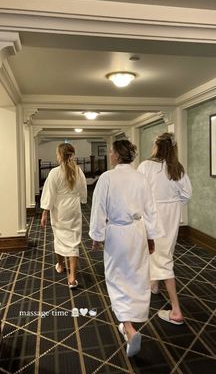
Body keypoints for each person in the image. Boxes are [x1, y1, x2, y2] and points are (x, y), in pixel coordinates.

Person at [89, 140, 157, 358]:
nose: (109, 154)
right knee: (136, 274)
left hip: (116, 233)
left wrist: (97, 236)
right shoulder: (141, 177)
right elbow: (151, 210)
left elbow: (98, 207)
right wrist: (151, 236)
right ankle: (132, 319)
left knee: (117, 277)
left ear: (117, 155)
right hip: (138, 231)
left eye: (111, 151)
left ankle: (127, 326)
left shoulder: (107, 178)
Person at [138, 132, 192, 325]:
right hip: (171, 215)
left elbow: (139, 192)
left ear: (156, 146)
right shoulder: (176, 168)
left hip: (153, 214)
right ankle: (154, 284)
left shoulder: (145, 166)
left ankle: (176, 310)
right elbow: (187, 194)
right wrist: (173, 202)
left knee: (157, 254)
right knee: (164, 252)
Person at [40, 143, 87, 289]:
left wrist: (45, 212)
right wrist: (83, 200)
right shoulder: (78, 170)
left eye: (57, 153)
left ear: (60, 155)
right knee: (73, 240)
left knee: (59, 237)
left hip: (59, 209)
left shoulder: (54, 172)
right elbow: (83, 190)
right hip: (73, 207)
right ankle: (72, 277)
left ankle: (60, 264)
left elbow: (49, 193)